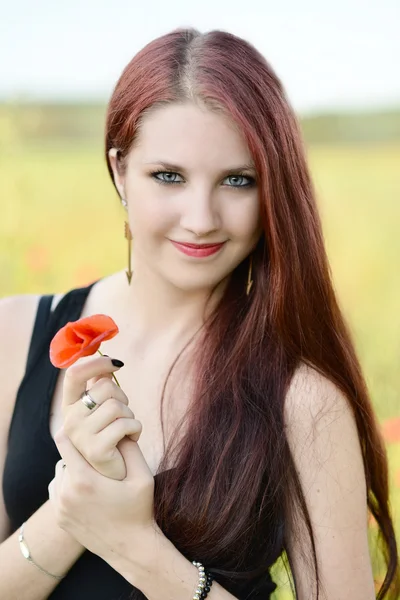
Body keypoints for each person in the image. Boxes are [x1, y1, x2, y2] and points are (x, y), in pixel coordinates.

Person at [0, 27, 398, 600]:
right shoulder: (16, 335)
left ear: (272, 192)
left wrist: (135, 545)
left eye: (238, 181)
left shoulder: (304, 399)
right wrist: (70, 511)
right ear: (119, 173)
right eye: (169, 176)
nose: (202, 217)